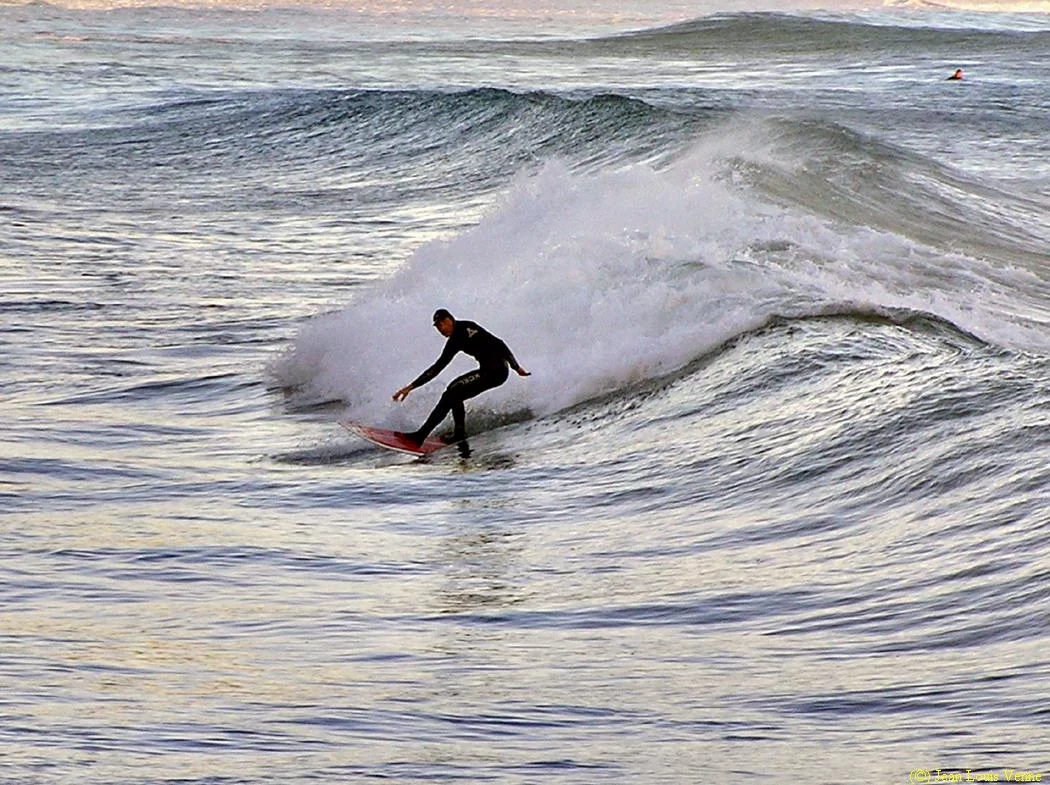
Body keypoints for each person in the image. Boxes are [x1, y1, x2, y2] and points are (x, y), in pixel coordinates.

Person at [393, 309, 529, 445]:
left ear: (449, 320)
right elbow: (437, 368)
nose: (440, 330)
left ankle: (420, 437)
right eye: (437, 327)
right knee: (453, 392)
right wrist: (411, 387)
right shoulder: (454, 341)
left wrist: (516, 367)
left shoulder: (466, 328)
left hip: (496, 371)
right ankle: (458, 434)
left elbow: (499, 343)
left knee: (451, 393)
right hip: (488, 371)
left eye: (441, 325)